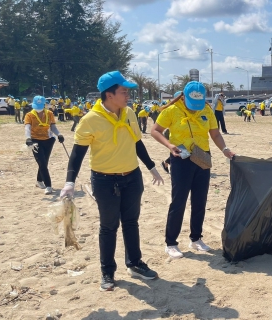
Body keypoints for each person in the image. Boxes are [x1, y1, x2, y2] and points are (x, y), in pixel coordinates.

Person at [59, 71, 163, 291]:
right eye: (124, 91)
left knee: (131, 222)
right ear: (109, 94)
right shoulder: (90, 120)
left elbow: (137, 142)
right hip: (105, 181)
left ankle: (135, 263)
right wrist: (69, 182)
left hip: (132, 177)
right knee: (108, 227)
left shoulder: (129, 114)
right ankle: (107, 271)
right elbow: (78, 153)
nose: (128, 95)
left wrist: (151, 167)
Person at [151, 81, 235, 259]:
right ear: (184, 97)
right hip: (180, 158)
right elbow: (155, 130)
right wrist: (169, 144)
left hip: (202, 157)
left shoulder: (206, 110)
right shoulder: (172, 110)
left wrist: (225, 149)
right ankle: (171, 243)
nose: (196, 109)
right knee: (178, 201)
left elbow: (215, 134)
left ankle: (196, 238)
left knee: (200, 200)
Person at [24, 96, 64, 195]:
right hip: (35, 142)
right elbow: (27, 128)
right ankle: (48, 185)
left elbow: (53, 126)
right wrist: (28, 138)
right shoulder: (29, 115)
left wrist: (58, 134)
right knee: (42, 163)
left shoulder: (49, 113)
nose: (38, 108)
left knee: (44, 163)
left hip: (48, 140)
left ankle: (39, 181)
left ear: (44, 105)